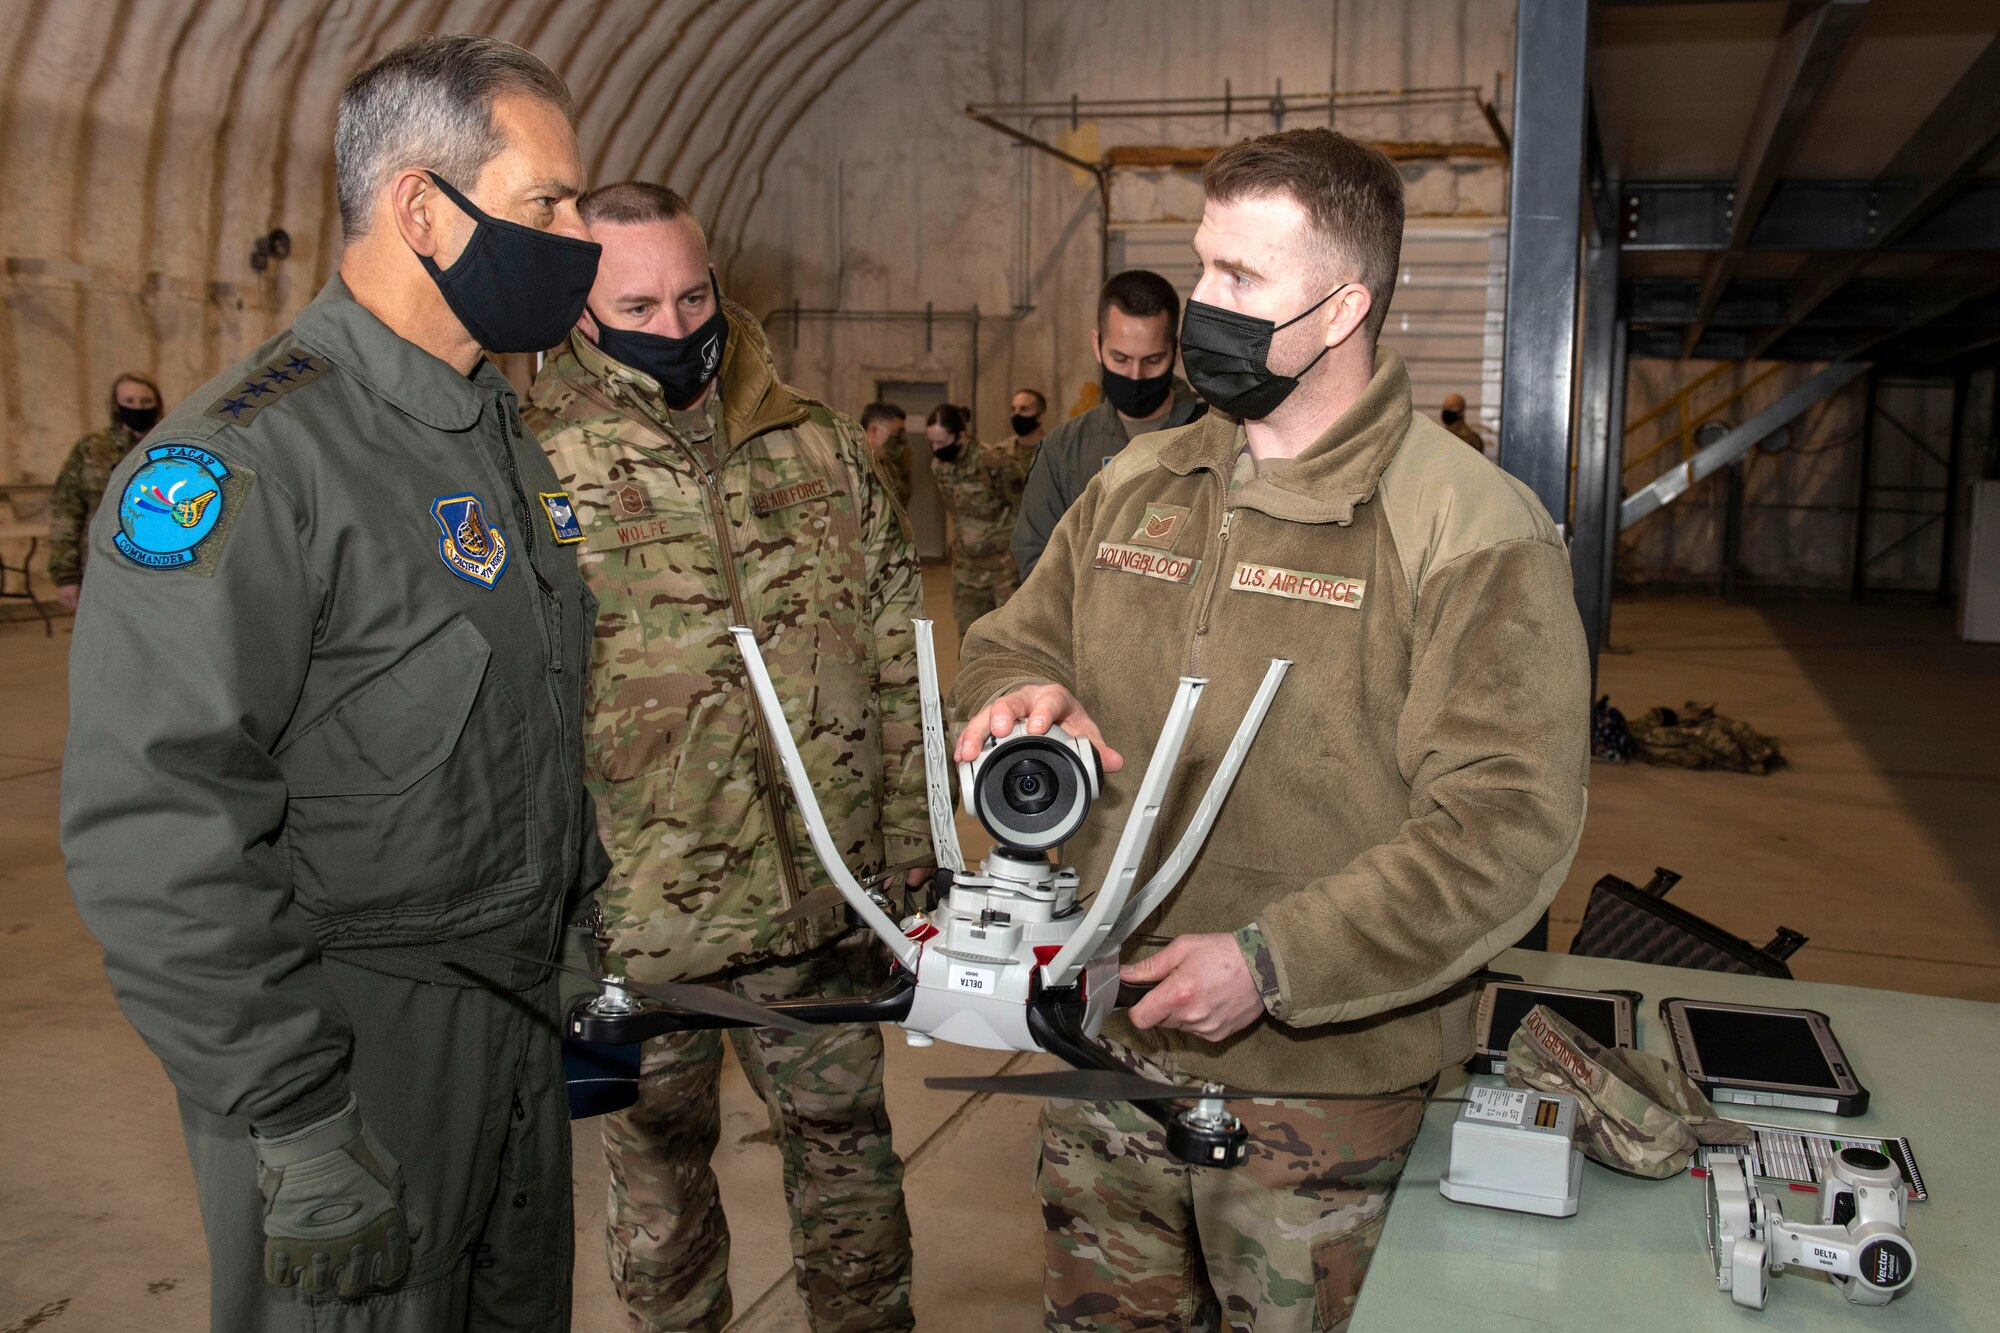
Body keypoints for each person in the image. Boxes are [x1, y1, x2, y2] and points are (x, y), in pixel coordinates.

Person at [951, 127, 1590, 1331]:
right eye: (1201, 268)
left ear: (1343, 306)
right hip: (1103, 1053)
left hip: (1316, 1102)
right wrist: (1016, 695)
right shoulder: (1139, 480)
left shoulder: (1470, 529)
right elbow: (1006, 635)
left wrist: (1268, 963)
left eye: (1240, 282)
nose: (1200, 307)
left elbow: (1503, 826)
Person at [61, 34, 608, 1332]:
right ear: (423, 207)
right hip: (353, 1052)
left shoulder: (494, 441)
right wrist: (291, 1114)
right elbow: (157, 828)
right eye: (550, 203)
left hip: (513, 1023)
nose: (580, 234)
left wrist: (571, 948)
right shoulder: (253, 462)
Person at [522, 180, 922, 1333]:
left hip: (827, 909)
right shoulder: (538, 462)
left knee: (852, 1177)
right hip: (646, 927)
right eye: (636, 303)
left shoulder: (816, 442)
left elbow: (901, 651)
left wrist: (908, 851)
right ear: (578, 313)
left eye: (692, 292)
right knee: (660, 1202)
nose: (674, 323)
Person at [1011, 270, 1206, 579]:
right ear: (1096, 345)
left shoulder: (1214, 434)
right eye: (1120, 358)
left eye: (1153, 360)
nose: (1135, 375)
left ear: (1176, 350)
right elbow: (1038, 567)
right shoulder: (1063, 449)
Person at [47, 373, 161, 611]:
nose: (137, 408)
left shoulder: (170, 444)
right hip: (100, 565)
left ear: (157, 404)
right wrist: (66, 574)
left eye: (145, 402)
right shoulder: (91, 447)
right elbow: (67, 509)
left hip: (158, 567)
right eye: (129, 401)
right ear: (115, 406)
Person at [927, 402, 1033, 636]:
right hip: (966, 569)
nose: (936, 448)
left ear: (960, 436)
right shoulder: (939, 467)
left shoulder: (993, 462)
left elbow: (1023, 503)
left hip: (1003, 569)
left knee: (1008, 638)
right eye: (932, 442)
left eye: (941, 442)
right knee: (969, 638)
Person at [860, 400, 913, 510]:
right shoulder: (855, 464)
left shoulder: (889, 464)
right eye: (897, 433)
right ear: (874, 430)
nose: (901, 440)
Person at [1008, 386, 1049, 453]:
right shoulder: (998, 454)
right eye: (1013, 409)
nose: (1016, 414)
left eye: (1024, 409)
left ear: (1040, 417)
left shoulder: (1057, 452)